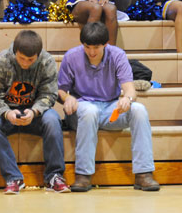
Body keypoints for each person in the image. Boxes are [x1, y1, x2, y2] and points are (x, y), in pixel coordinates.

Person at [58, 22, 160, 192]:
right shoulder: (71, 56)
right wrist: (68, 98)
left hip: (109, 109)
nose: (91, 52)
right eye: (87, 47)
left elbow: (130, 89)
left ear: (105, 44)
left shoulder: (118, 55)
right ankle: (83, 175)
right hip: (82, 108)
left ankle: (144, 173)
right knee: (89, 111)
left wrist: (127, 99)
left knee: (139, 110)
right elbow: (61, 90)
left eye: (96, 47)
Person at [0, 30, 69, 194]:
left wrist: (34, 111)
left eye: (31, 60)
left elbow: (49, 94)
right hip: (6, 113)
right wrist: (7, 113)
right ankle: (13, 178)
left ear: (38, 55)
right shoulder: (1, 61)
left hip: (35, 114)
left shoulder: (47, 62)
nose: (26, 63)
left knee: (53, 119)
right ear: (15, 51)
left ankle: (54, 176)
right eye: (21, 58)